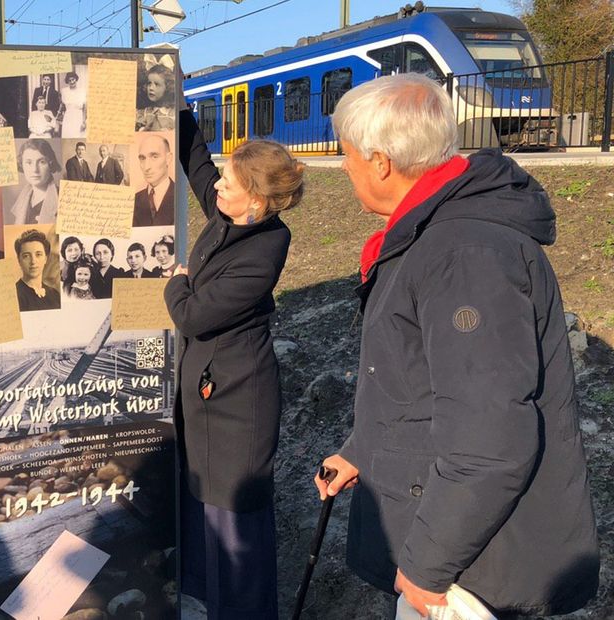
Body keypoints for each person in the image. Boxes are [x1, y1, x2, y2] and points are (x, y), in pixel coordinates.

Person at [314, 73, 598, 619]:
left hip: (473, 563)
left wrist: (427, 566)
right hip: (448, 521)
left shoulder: (463, 253)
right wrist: (362, 449)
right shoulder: (435, 232)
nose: (343, 166)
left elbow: (491, 437)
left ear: (379, 161)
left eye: (346, 154)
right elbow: (416, 379)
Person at [165, 89, 304, 618]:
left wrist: (177, 283)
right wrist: (175, 101)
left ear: (258, 199)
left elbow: (195, 315)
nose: (216, 184)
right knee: (205, 508)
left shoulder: (266, 248)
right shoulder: (227, 215)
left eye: (230, 181)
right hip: (208, 397)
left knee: (235, 519)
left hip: (237, 405)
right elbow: (197, 161)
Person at [8, 139, 61, 225]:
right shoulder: (23, 199)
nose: (35, 170)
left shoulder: (62, 199)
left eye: (42, 162)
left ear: (51, 164)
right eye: (29, 162)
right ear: (22, 165)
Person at [132, 134, 175, 227]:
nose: (146, 167)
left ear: (168, 159)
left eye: (154, 157)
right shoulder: (133, 201)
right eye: (142, 158)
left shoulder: (181, 197)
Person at [14, 228, 60, 311]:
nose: (33, 261)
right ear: (19, 260)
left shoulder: (55, 295)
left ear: (46, 258)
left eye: (38, 254)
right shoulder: (15, 295)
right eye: (26, 256)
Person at [136, 61, 176, 132]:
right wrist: (145, 129)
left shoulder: (173, 114)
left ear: (168, 87)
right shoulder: (145, 113)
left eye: (156, 84)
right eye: (149, 83)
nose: (151, 88)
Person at [59, 71, 86, 139]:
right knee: (68, 136)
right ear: (67, 82)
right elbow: (62, 106)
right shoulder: (64, 91)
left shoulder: (82, 91)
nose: (72, 82)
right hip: (68, 118)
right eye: (69, 80)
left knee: (79, 136)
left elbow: (84, 108)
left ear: (76, 79)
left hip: (78, 117)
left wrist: (84, 122)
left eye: (73, 79)